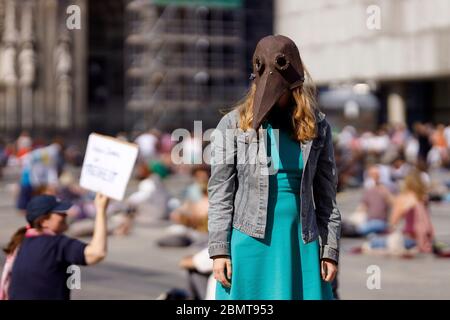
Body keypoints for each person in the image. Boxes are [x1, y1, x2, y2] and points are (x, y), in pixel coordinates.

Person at [208, 35, 341, 300]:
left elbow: (327, 197)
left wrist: (330, 249)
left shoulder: (317, 126)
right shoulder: (232, 125)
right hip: (248, 241)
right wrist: (219, 250)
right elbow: (220, 192)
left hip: (301, 241)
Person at [1, 193, 109, 300]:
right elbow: (97, 253)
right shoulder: (56, 244)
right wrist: (101, 210)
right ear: (43, 221)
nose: (65, 215)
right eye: (59, 213)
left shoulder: (21, 243)